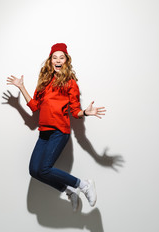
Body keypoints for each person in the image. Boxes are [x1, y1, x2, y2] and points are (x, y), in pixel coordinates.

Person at [6, 43, 106, 211]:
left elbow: (75, 112)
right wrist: (21, 87)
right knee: (34, 170)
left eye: (62, 57)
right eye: (55, 57)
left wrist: (86, 112)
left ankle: (83, 185)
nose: (58, 60)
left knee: (44, 169)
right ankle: (69, 190)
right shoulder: (44, 82)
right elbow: (35, 107)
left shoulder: (70, 83)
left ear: (66, 60)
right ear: (50, 60)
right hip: (44, 133)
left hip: (59, 132)